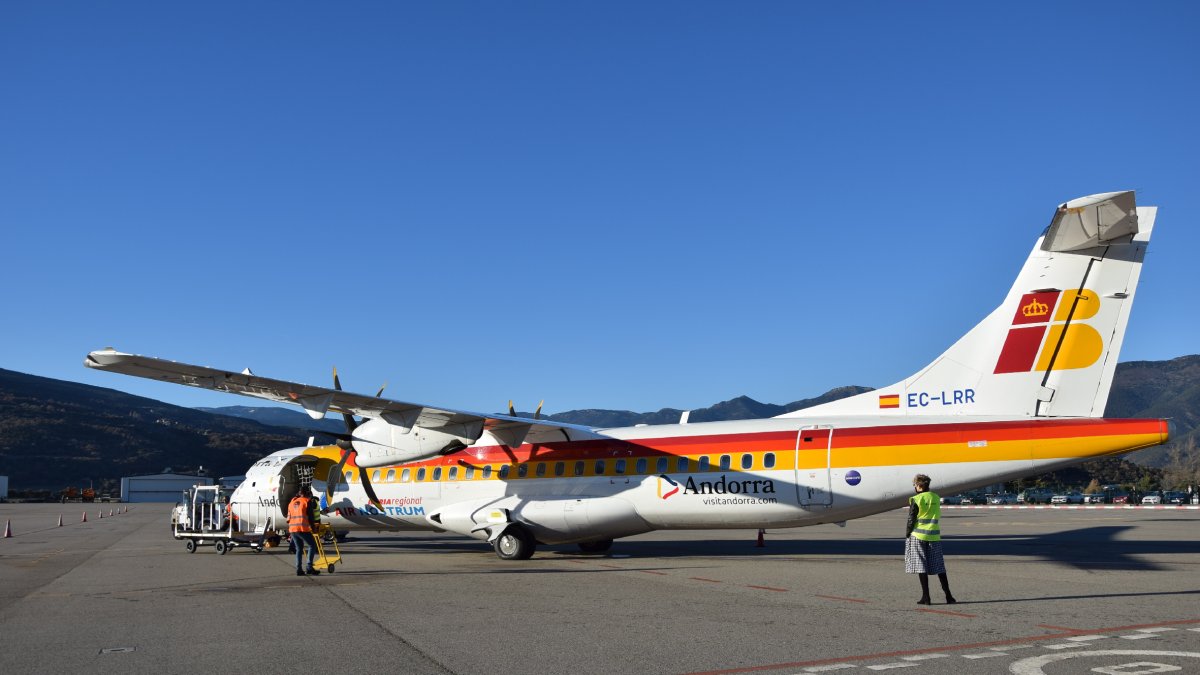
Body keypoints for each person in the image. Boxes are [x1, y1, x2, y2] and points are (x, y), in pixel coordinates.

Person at [905, 473, 956, 605]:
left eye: (915, 485)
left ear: (919, 486)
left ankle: (926, 597)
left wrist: (907, 533)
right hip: (934, 535)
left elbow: (911, 518)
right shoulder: (936, 497)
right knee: (939, 566)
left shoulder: (916, 499)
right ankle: (949, 596)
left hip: (918, 535)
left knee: (921, 566)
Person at [287, 485, 321, 576]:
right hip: (302, 528)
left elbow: (288, 518)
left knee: (299, 549)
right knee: (312, 545)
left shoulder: (292, 502)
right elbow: (311, 517)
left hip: (292, 529)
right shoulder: (306, 501)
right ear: (307, 493)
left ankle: (299, 569)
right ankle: (309, 567)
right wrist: (313, 528)